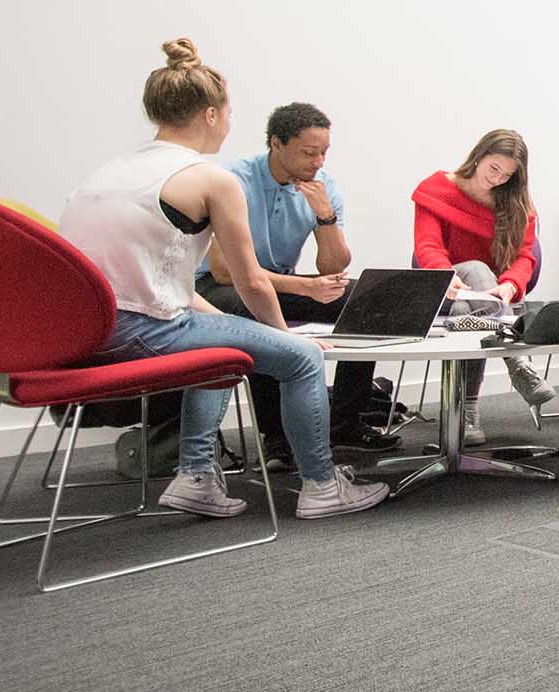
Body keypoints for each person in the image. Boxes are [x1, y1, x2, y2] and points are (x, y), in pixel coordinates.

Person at [57, 38, 388, 519]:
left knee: (220, 349)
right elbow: (249, 281)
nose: (230, 124)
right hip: (143, 329)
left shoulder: (107, 173)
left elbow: (161, 280)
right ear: (211, 114)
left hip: (87, 331)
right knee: (300, 357)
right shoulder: (212, 178)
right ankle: (321, 486)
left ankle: (195, 477)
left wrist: (239, 327)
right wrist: (286, 338)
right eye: (228, 114)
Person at [194, 102, 400, 466]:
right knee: (254, 311)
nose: (318, 161)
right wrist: (304, 288)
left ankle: (346, 422)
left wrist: (325, 216)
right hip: (217, 287)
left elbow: (332, 265)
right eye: (309, 152)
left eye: (324, 152)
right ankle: (277, 438)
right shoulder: (234, 181)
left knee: (367, 299)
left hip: (276, 281)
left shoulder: (324, 187)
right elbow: (226, 272)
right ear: (276, 144)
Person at [411, 128, 552, 446]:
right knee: (475, 268)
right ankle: (516, 361)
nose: (498, 179)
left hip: (483, 299)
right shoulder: (436, 189)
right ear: (478, 156)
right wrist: (444, 275)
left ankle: (466, 412)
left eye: (507, 175)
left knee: (466, 311)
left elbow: (524, 257)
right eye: (494, 169)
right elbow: (427, 247)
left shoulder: (515, 202)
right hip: (441, 287)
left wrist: (509, 286)